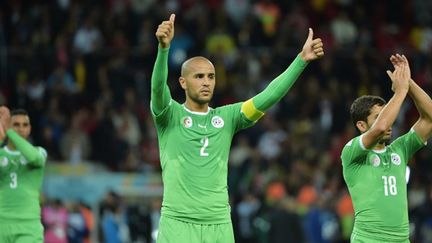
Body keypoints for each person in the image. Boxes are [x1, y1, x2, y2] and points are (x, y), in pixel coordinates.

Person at [151, 13, 324, 243]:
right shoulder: (169, 114)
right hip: (178, 222)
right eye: (199, 76)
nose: (206, 82)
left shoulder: (227, 117)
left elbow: (268, 96)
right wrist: (164, 49)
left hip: (219, 223)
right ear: (183, 82)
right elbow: (157, 89)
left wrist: (301, 60)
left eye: (211, 77)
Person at [341, 54, 432, 242]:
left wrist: (407, 82)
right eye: (379, 116)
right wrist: (400, 93)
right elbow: (380, 127)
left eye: (387, 115)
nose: (388, 121)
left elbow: (429, 118)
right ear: (361, 125)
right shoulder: (351, 152)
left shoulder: (399, 150)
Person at [0, 107, 48, 243]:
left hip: (28, 226)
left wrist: (9, 131)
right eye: (16, 125)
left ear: (30, 129)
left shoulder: (39, 152)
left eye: (25, 125)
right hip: (2, 224)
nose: (21, 129)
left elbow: (34, 158)